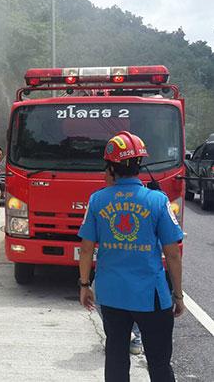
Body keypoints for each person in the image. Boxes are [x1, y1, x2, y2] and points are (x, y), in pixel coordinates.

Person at [78, 131, 184, 382]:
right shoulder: (157, 200)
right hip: (152, 298)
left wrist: (84, 285)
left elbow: (85, 249)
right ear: (139, 165)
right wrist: (178, 295)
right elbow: (172, 255)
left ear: (110, 167)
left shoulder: (97, 201)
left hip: (112, 296)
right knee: (159, 363)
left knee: (115, 359)